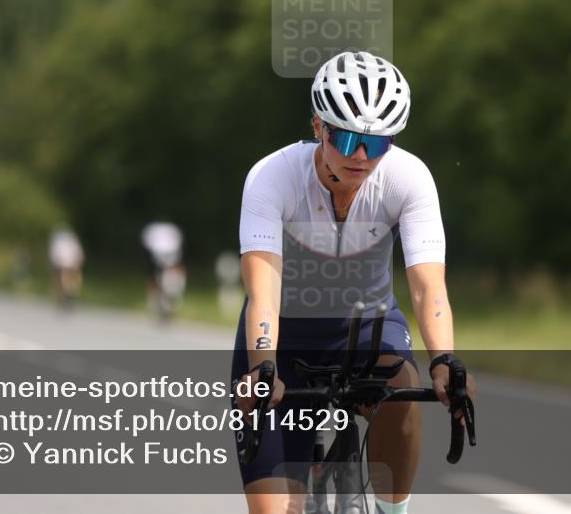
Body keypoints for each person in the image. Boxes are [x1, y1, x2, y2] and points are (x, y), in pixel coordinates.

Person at [231, 51, 477, 514]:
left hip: (368, 327)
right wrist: (263, 367)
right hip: (285, 339)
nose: (361, 157)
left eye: (377, 143)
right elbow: (263, 290)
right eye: (346, 139)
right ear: (318, 127)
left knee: (405, 388)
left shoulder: (408, 178)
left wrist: (444, 360)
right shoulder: (273, 176)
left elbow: (428, 287)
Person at [140, 221, 186, 322]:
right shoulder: (164, 231)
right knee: (155, 282)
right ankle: (156, 304)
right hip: (158, 259)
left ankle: (166, 305)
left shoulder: (163, 231)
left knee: (167, 283)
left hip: (164, 260)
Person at [48, 227, 85, 310]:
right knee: (62, 281)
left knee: (63, 281)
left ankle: (68, 295)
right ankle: (66, 296)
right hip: (66, 265)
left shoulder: (63, 241)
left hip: (67, 265)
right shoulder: (69, 242)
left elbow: (78, 253)